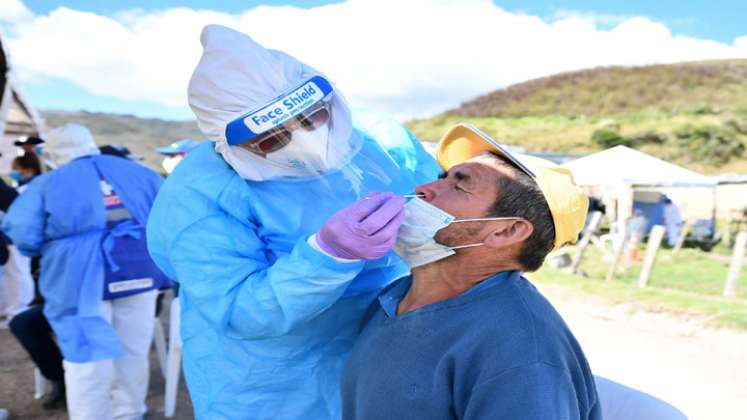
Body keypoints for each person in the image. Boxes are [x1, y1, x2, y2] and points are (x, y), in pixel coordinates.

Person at [146, 24, 439, 419]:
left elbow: (435, 198)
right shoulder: (198, 197)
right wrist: (328, 256)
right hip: (272, 382)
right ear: (228, 143)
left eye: (314, 117)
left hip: (387, 347)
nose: (308, 142)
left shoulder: (381, 140)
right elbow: (236, 308)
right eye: (272, 141)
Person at [341, 124, 600, 420]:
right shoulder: (393, 299)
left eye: (459, 186)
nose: (423, 189)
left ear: (507, 230)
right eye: (443, 178)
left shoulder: (520, 349)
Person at [3, 123, 169, 420]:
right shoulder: (139, 173)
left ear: (52, 153)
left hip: (78, 278)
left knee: (87, 357)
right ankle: (130, 413)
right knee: (133, 350)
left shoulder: (48, 183)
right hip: (140, 269)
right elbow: (171, 216)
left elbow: (24, 234)